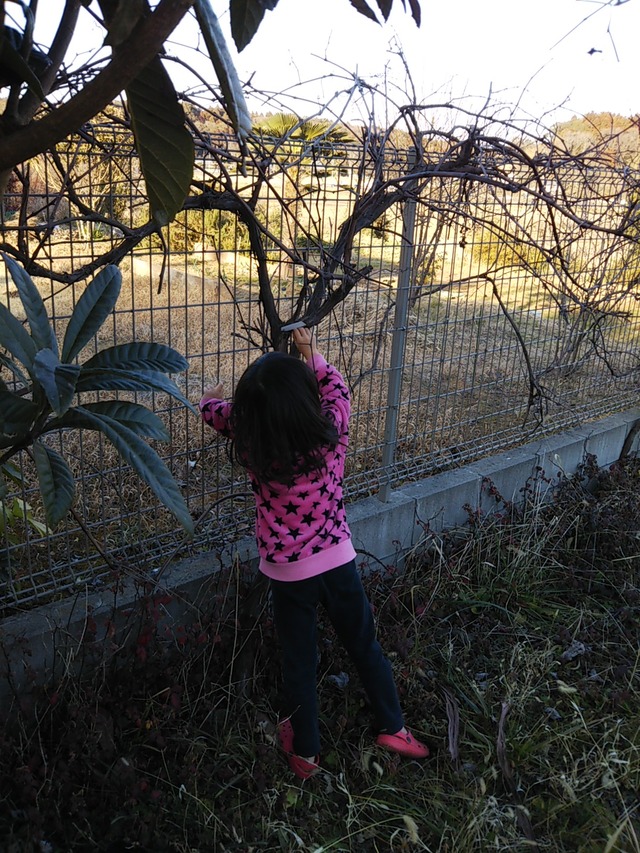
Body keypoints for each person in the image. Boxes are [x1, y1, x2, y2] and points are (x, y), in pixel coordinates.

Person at [199, 326, 429, 779]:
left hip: (287, 575)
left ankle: (305, 754)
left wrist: (209, 400)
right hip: (338, 562)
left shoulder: (250, 440)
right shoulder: (329, 435)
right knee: (364, 644)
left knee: (299, 661)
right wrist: (312, 354)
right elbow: (339, 391)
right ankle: (393, 727)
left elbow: (223, 416)